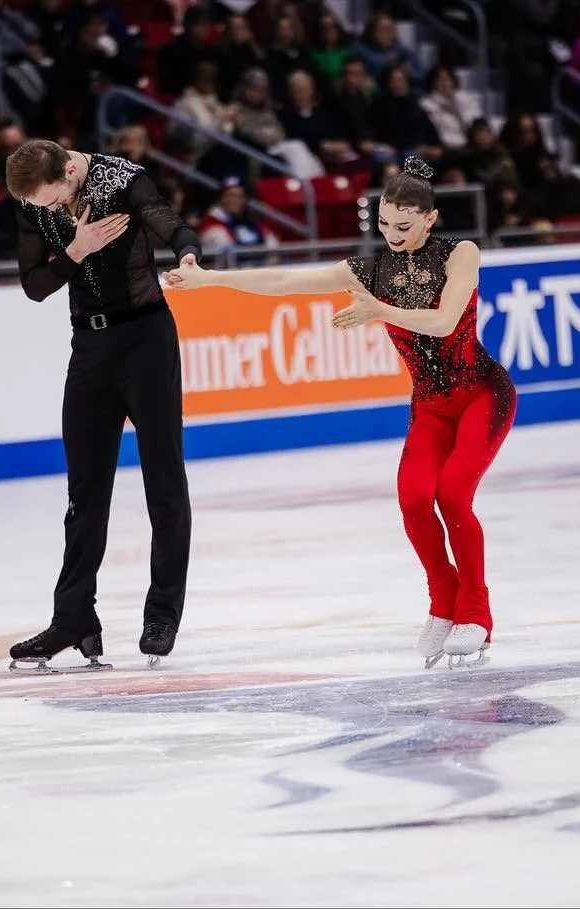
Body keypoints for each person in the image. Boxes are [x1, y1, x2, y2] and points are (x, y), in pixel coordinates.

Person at [164, 157, 517, 668]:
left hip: (483, 394)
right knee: (416, 500)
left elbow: (443, 322)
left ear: (429, 219)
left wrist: (380, 311)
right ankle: (444, 606)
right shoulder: (369, 271)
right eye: (383, 225)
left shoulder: (461, 254)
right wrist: (210, 280)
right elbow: (285, 283)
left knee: (453, 495)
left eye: (403, 225)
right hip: (432, 406)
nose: (392, 235)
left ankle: (476, 614)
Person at [3, 139, 201, 672]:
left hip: (146, 340)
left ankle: (162, 614)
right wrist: (76, 248)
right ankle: (74, 619)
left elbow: (171, 225)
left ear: (70, 170)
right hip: (88, 348)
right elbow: (34, 285)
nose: (44, 211)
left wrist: (187, 255)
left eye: (50, 200)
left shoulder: (122, 179)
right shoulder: (33, 200)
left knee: (164, 479)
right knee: (84, 490)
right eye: (36, 207)